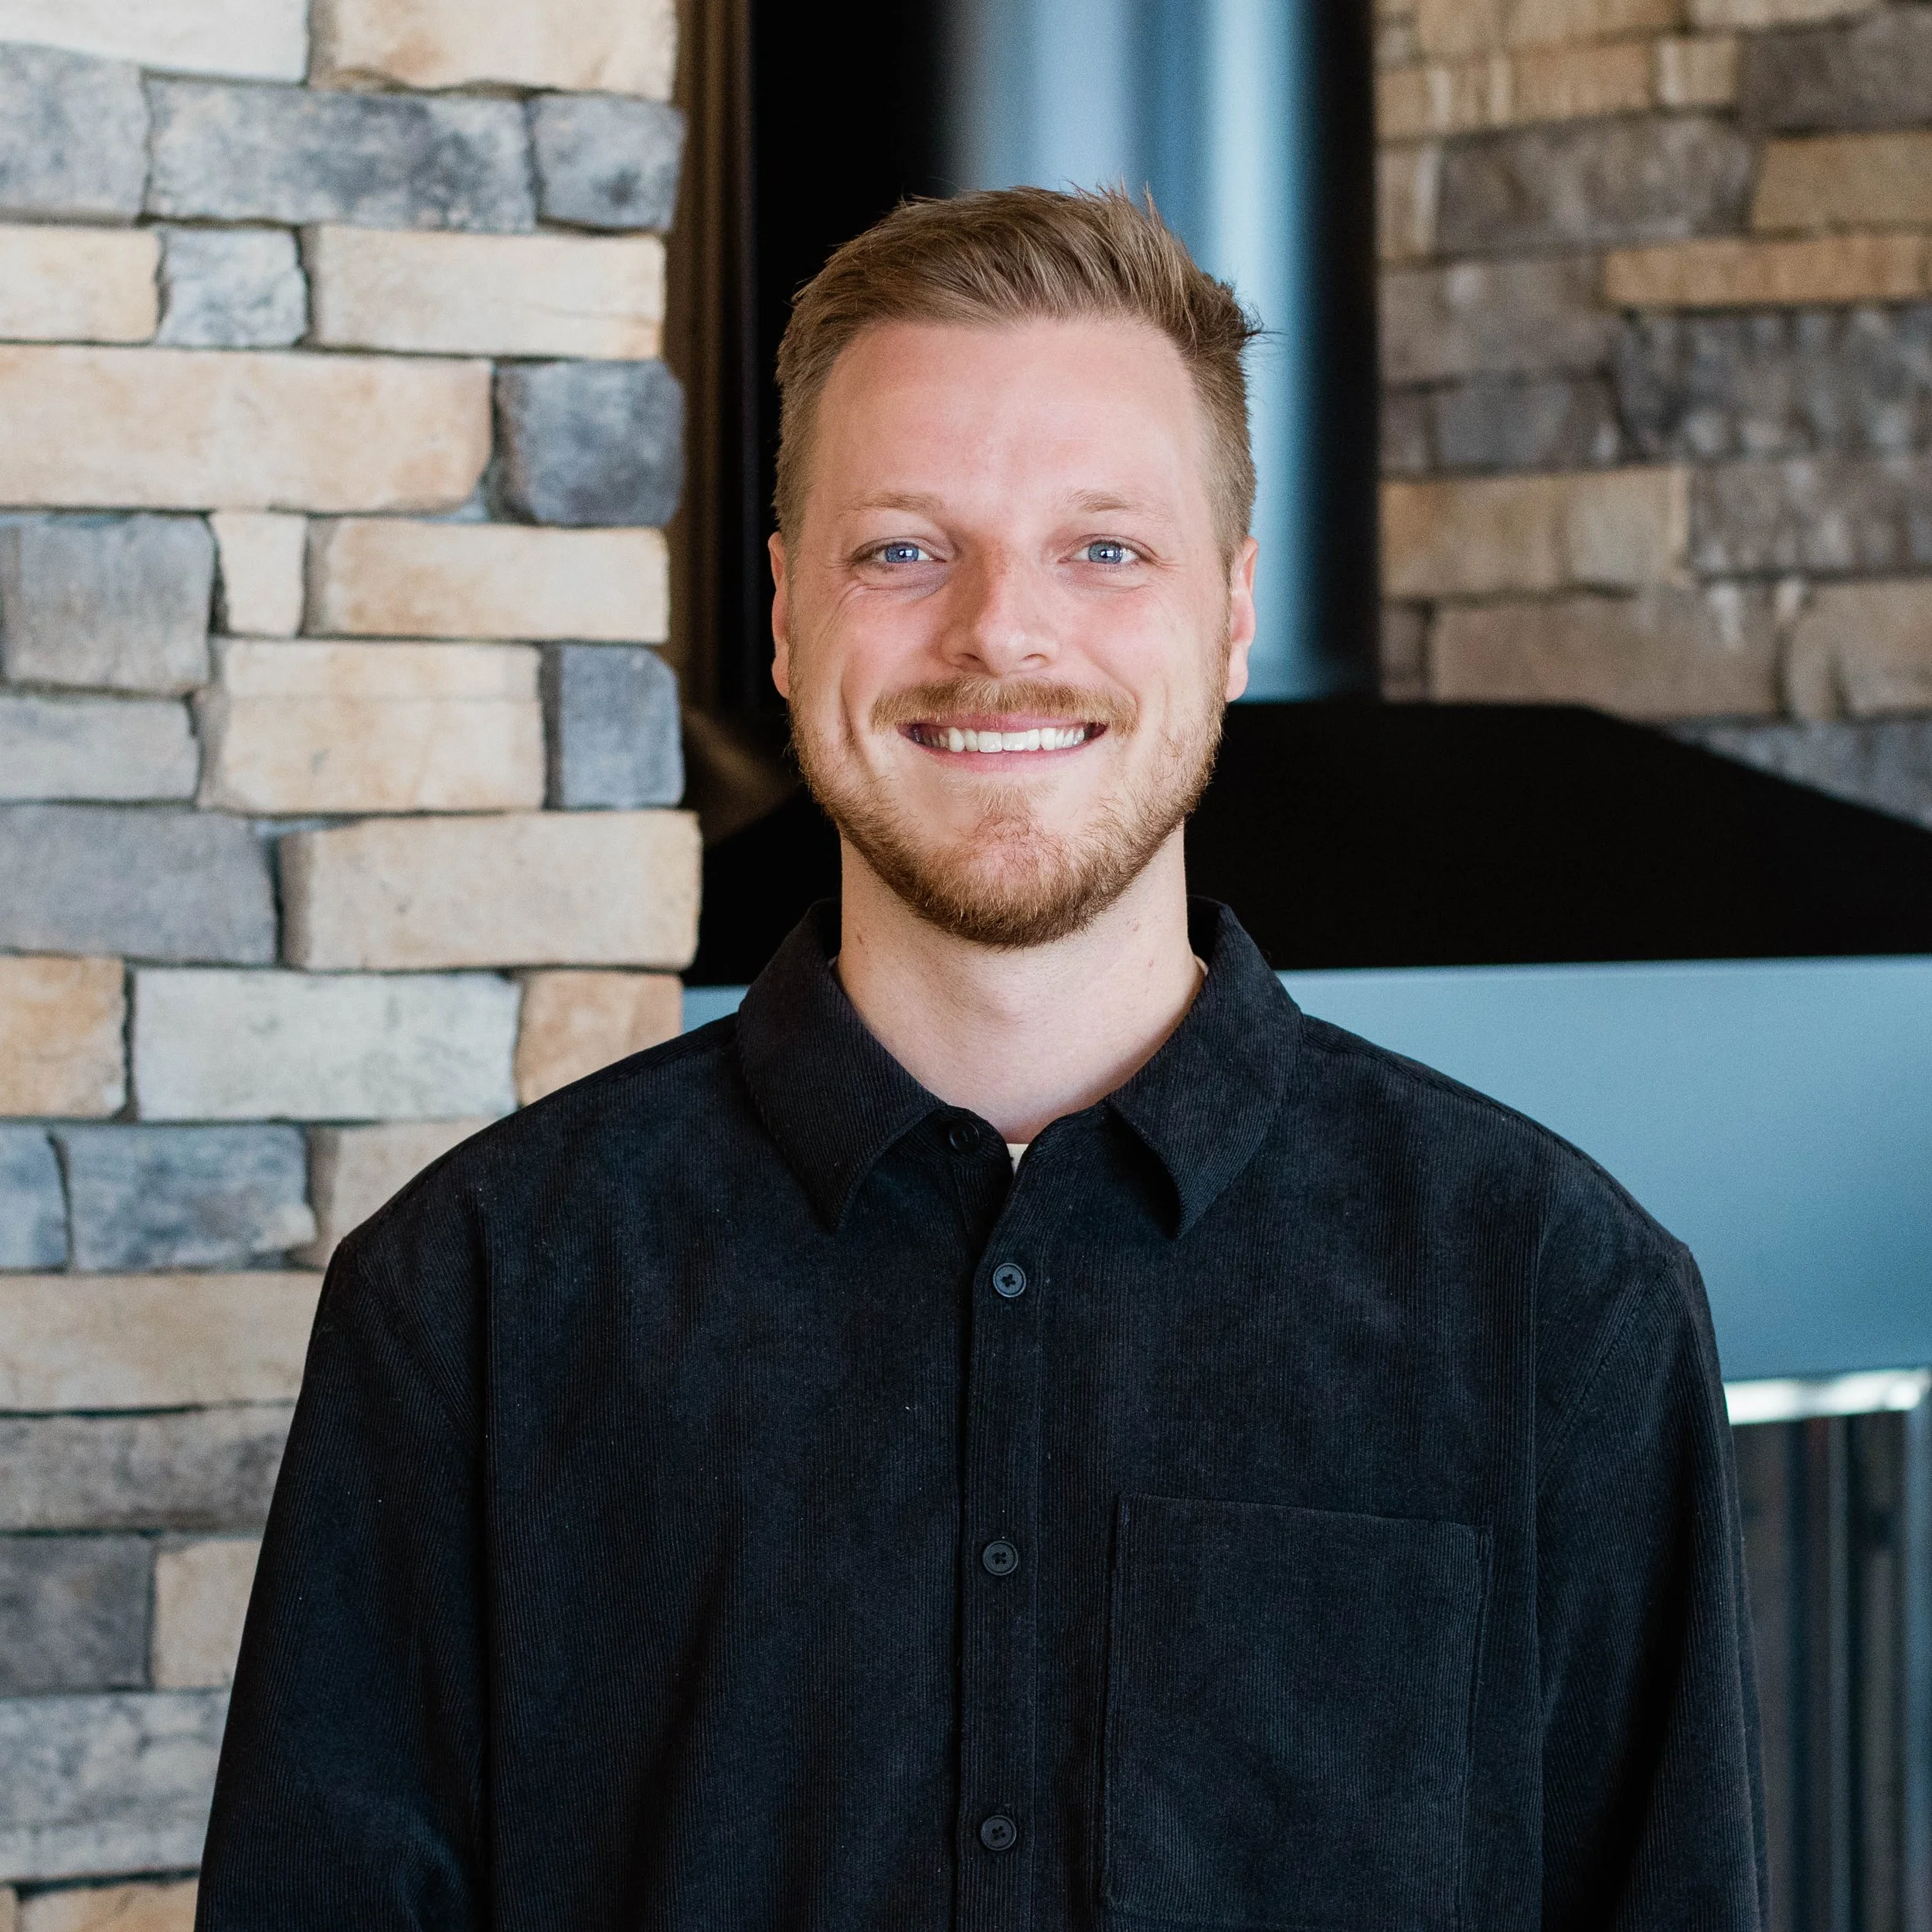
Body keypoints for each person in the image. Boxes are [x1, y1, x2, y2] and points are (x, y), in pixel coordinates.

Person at [197, 187, 1766, 1930]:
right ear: (786, 614)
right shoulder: (474, 1296)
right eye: (902, 548)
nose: (1000, 633)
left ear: (1230, 614)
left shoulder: (1558, 1298)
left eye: (1103, 546)